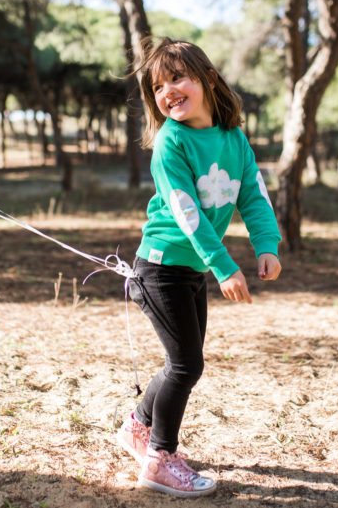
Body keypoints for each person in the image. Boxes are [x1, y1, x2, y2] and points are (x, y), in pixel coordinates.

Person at [116, 37, 283, 497]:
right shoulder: (170, 143)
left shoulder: (233, 139)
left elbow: (254, 194)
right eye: (158, 86)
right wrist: (226, 266)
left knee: (183, 364)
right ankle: (159, 460)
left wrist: (266, 243)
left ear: (207, 79)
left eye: (177, 78)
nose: (167, 90)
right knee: (186, 366)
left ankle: (138, 426)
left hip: (190, 272)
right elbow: (188, 214)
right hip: (160, 268)